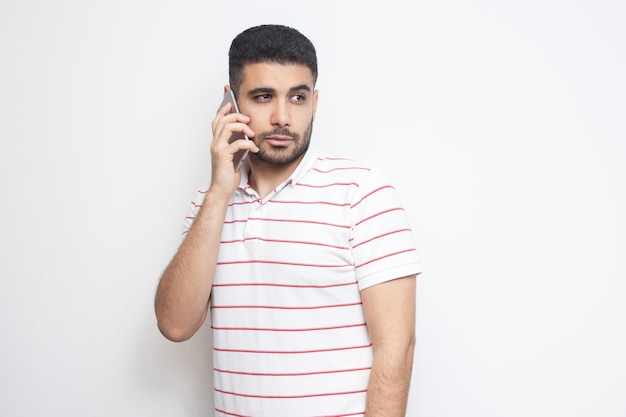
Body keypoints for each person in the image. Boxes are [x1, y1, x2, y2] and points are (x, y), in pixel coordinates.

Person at [155, 24, 421, 417]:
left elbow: (396, 350)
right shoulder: (209, 203)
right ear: (229, 103)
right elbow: (174, 325)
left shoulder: (361, 191)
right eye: (263, 97)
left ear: (314, 101)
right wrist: (218, 193)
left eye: (297, 97)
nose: (282, 117)